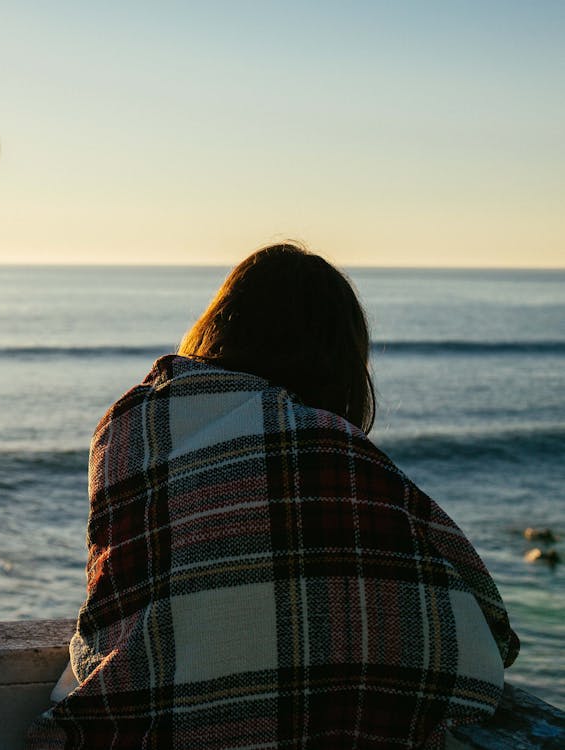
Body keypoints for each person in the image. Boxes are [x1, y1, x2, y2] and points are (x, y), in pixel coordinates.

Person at [26, 243, 519, 749]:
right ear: (339, 360)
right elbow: (490, 630)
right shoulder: (336, 450)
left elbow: (116, 599)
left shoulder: (129, 426)